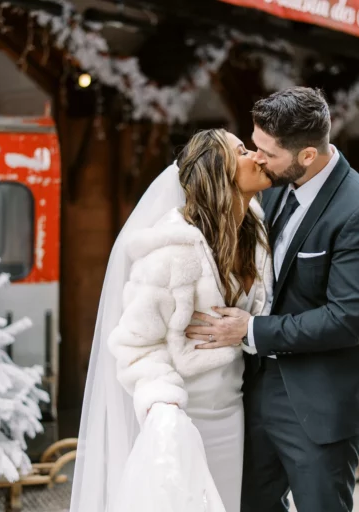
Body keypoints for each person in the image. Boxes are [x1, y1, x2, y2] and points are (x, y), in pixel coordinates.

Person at [186, 87, 359, 511]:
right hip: (255, 391)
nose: (256, 158)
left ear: (306, 156)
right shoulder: (274, 186)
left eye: (268, 152)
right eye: (253, 145)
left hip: (320, 402)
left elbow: (347, 319)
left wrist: (250, 330)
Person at [69, 128, 274, 512]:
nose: (257, 157)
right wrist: (165, 406)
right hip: (185, 418)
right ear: (219, 172)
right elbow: (134, 344)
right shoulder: (172, 253)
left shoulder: (256, 237)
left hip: (234, 412)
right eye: (243, 151)